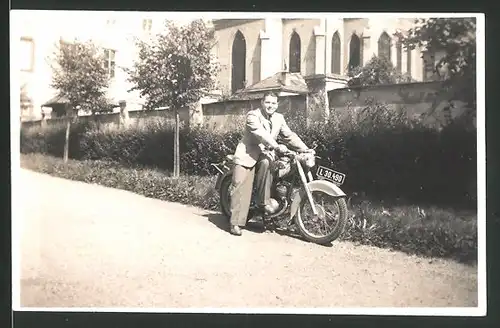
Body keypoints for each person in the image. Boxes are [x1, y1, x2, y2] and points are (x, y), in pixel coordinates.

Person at [228, 91, 314, 236]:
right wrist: (276, 146)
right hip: (248, 154)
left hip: (266, 154)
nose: (270, 106)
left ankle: (266, 205)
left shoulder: (279, 118)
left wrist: (306, 149)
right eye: (267, 102)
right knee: (240, 186)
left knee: (273, 166)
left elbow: (289, 136)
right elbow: (261, 133)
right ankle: (235, 223)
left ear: (277, 104)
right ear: (262, 102)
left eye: (273, 103)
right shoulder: (253, 115)